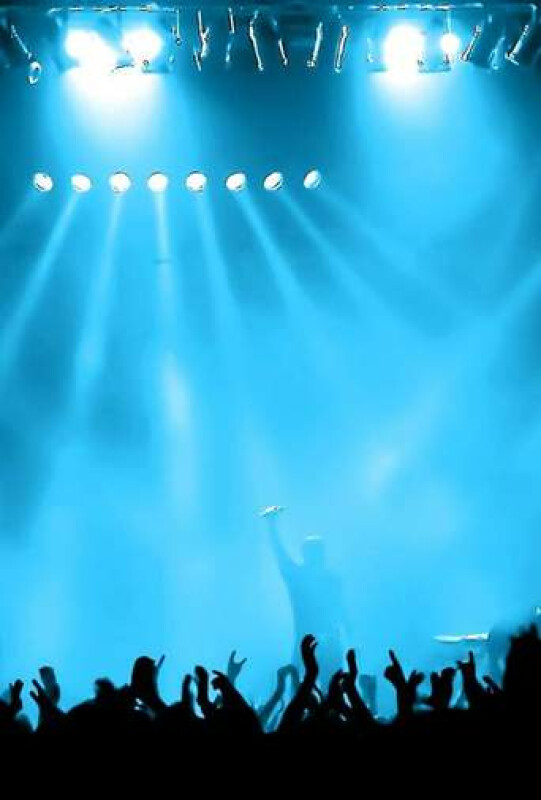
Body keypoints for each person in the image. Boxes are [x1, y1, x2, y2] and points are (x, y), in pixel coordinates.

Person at [260, 505, 348, 684]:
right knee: (322, 686)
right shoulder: (306, 577)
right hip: (317, 641)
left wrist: (271, 526)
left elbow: (341, 609)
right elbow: (280, 555)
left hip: (317, 641)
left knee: (307, 686)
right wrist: (271, 527)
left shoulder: (321, 579)